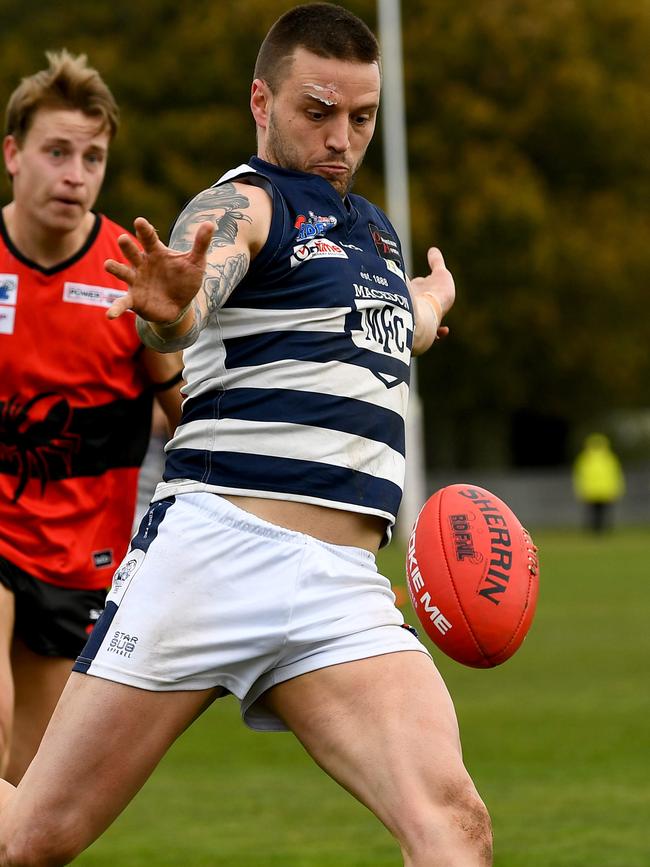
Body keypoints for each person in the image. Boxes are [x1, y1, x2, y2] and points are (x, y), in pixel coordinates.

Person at [0, 7, 492, 866]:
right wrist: (172, 310)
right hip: (214, 552)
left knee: (454, 825)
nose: (341, 137)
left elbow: (395, 318)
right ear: (261, 101)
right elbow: (197, 288)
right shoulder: (244, 201)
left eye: (362, 117)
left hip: (342, 587)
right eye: (318, 110)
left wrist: (432, 303)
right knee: (34, 837)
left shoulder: (374, 232)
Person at [0, 50, 184, 785]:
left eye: (93, 156)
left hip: (79, 559)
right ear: (13, 155)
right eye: (56, 151)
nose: (75, 173)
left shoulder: (130, 272)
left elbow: (194, 419)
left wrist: (166, 336)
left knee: (25, 789)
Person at [572, 433, 625, 533]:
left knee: (597, 513)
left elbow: (579, 475)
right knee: (599, 513)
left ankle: (598, 531)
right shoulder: (609, 458)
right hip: (602, 490)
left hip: (594, 490)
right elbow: (616, 474)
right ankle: (598, 530)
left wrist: (579, 489)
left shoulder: (584, 458)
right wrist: (617, 488)